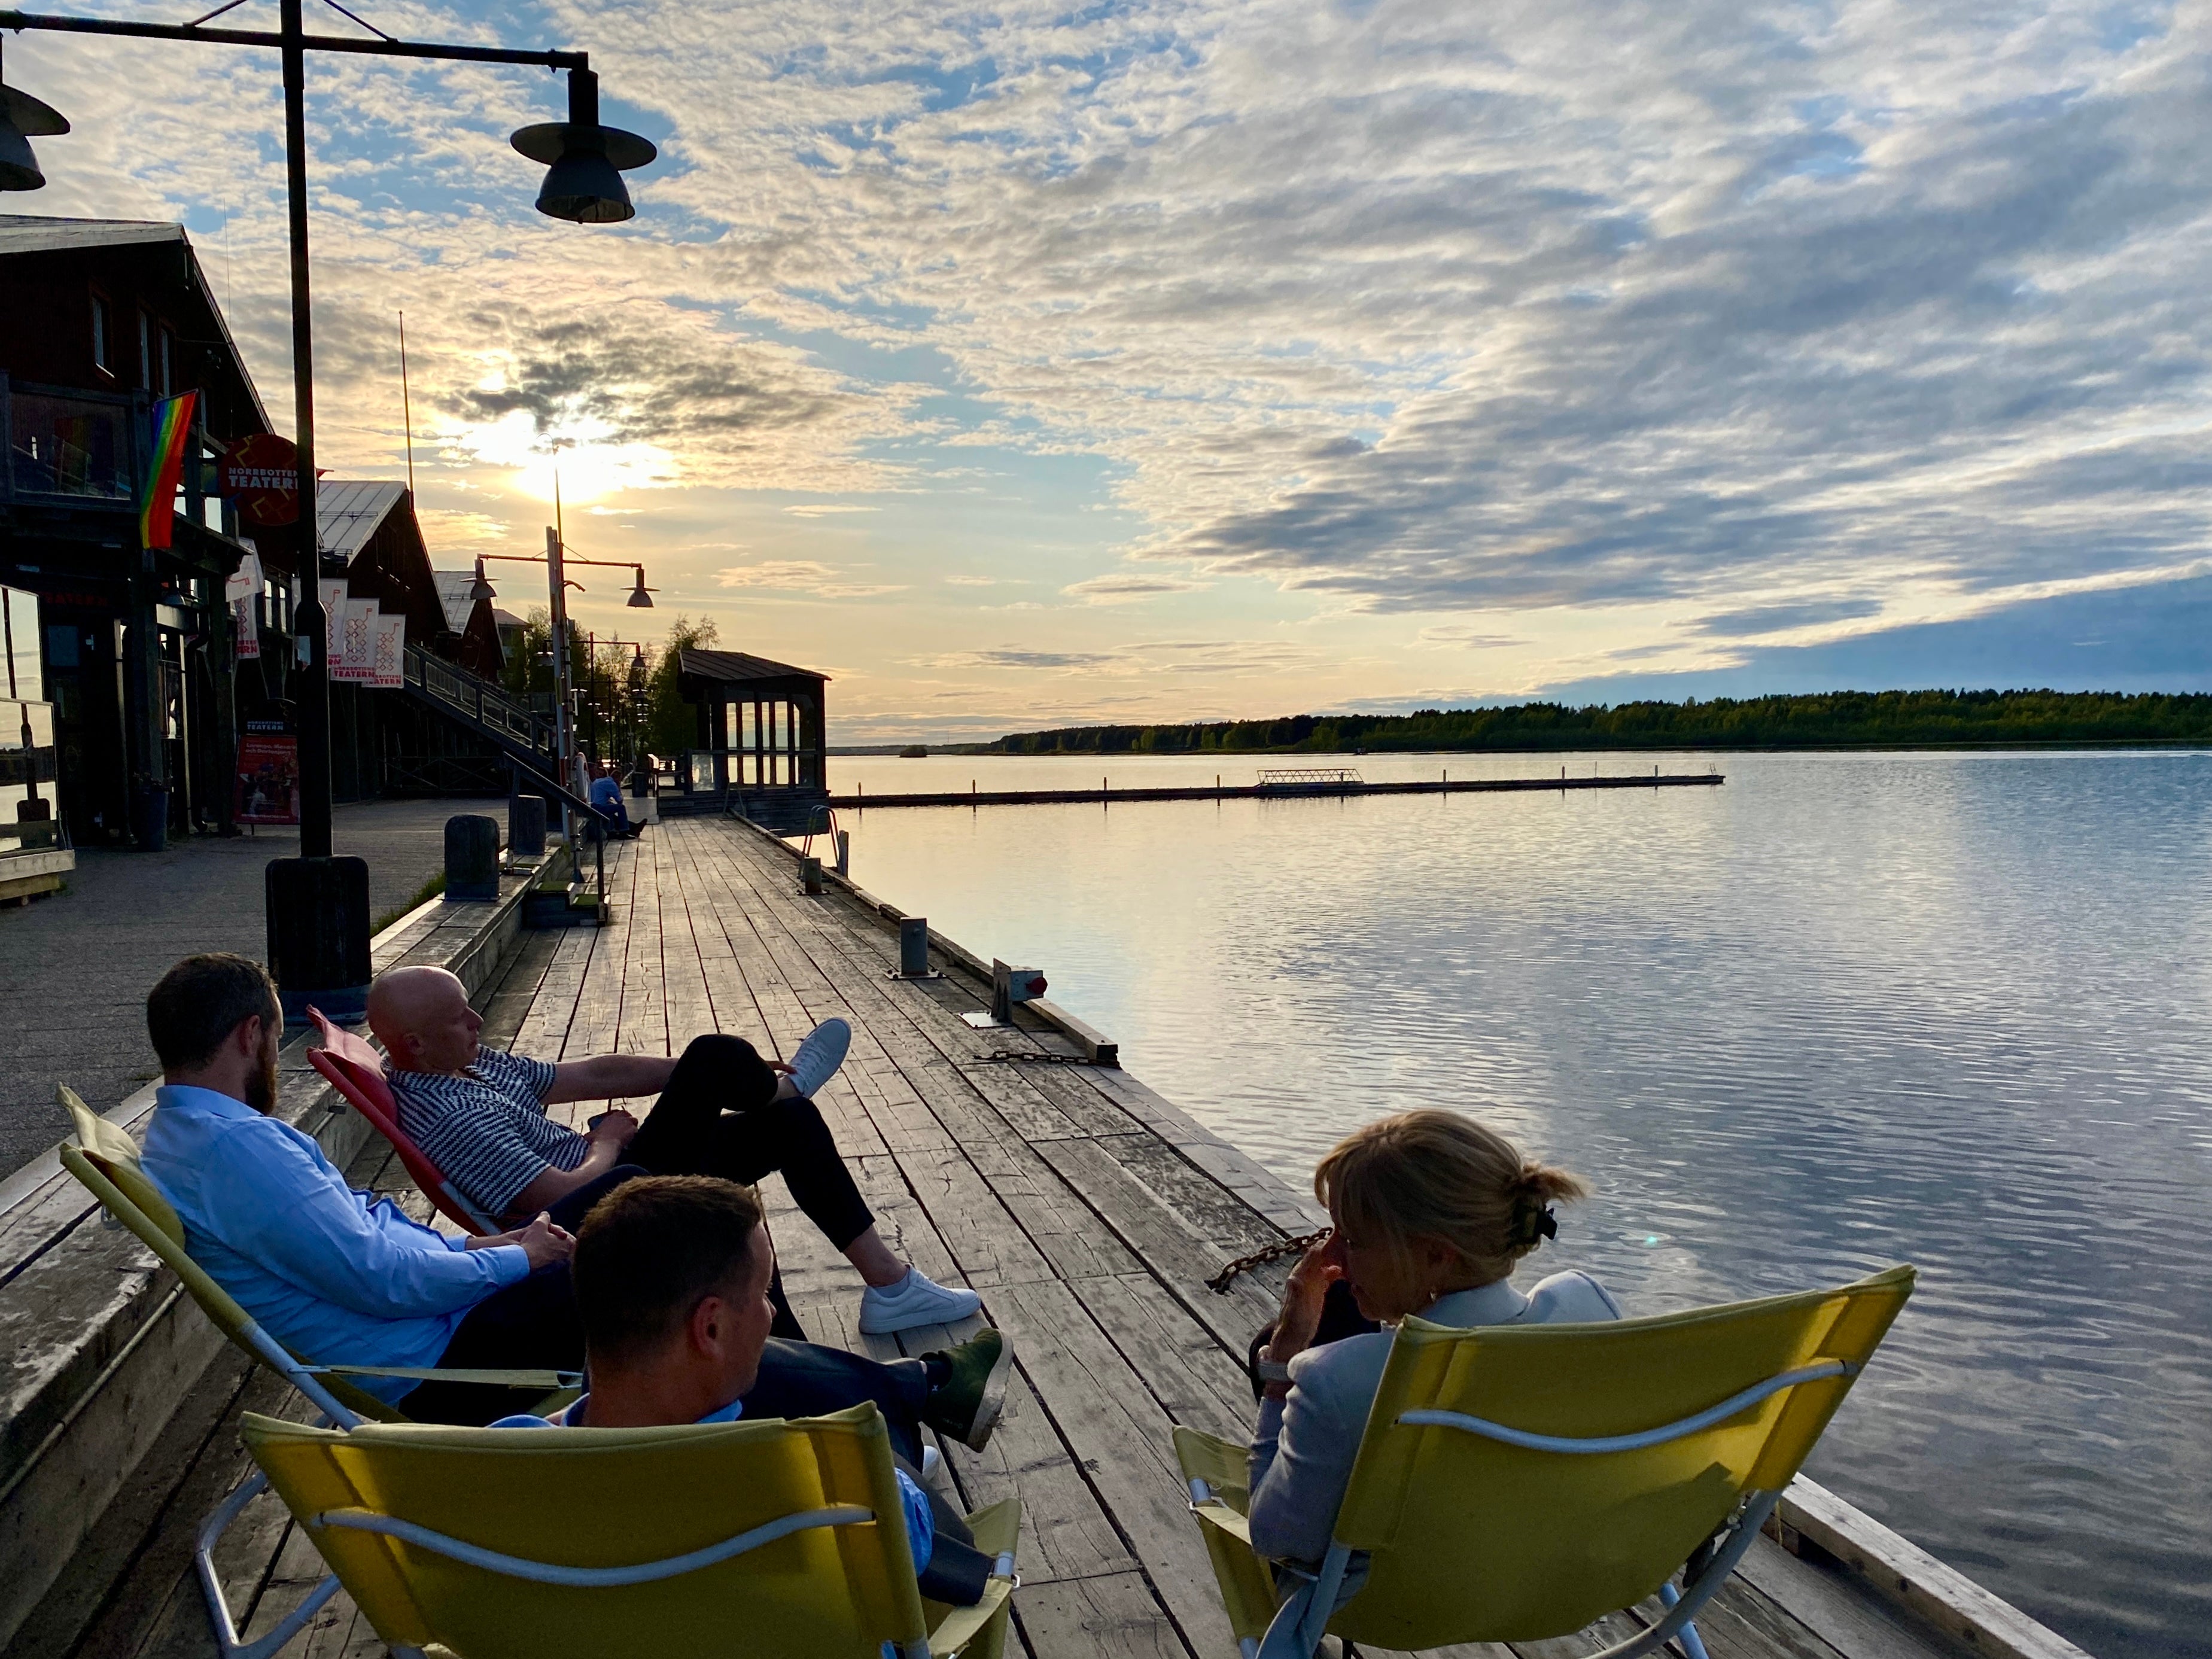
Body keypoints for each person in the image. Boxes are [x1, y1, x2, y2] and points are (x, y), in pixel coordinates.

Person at [138, 952, 1011, 1439]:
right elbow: (380, 1278)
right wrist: (516, 1255)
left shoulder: (194, 1141)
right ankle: (893, 1397)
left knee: (676, 1221)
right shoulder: (241, 1151)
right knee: (683, 1242)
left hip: (453, 1312)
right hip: (444, 1357)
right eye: (271, 1042)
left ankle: (895, 1390)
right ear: (250, 1035)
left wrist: (476, 1249)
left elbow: (376, 1251)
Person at [369, 964, 979, 1336]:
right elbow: (550, 1202)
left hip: (620, 1170)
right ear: (415, 1042)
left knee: (785, 1118)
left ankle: (890, 1286)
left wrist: (686, 1075)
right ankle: (774, 1090)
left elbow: (595, 1075)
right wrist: (607, 1144)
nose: (477, 1021)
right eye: (460, 1018)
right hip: (605, 1211)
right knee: (716, 1056)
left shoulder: (467, 1064)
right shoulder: (451, 1115)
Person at [491, 1175, 1002, 1606]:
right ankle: (919, 1390)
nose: (771, 1313)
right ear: (710, 1327)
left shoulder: (488, 1468)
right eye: (762, 1292)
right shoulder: (835, 1485)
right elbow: (950, 1567)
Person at [1246, 1110, 1618, 1578]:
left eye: (1353, 1240)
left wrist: (1281, 1363)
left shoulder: (1338, 1378)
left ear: (1436, 1254)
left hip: (1385, 1601)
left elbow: (1275, 1538)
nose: (1329, 1256)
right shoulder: (1587, 1313)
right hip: (1550, 1586)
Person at [587, 764, 639, 839]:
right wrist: (618, 786)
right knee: (621, 808)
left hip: (591, 805)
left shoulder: (599, 781)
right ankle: (624, 831)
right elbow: (620, 801)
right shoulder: (611, 783)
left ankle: (612, 830)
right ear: (618, 779)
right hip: (597, 807)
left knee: (610, 806)